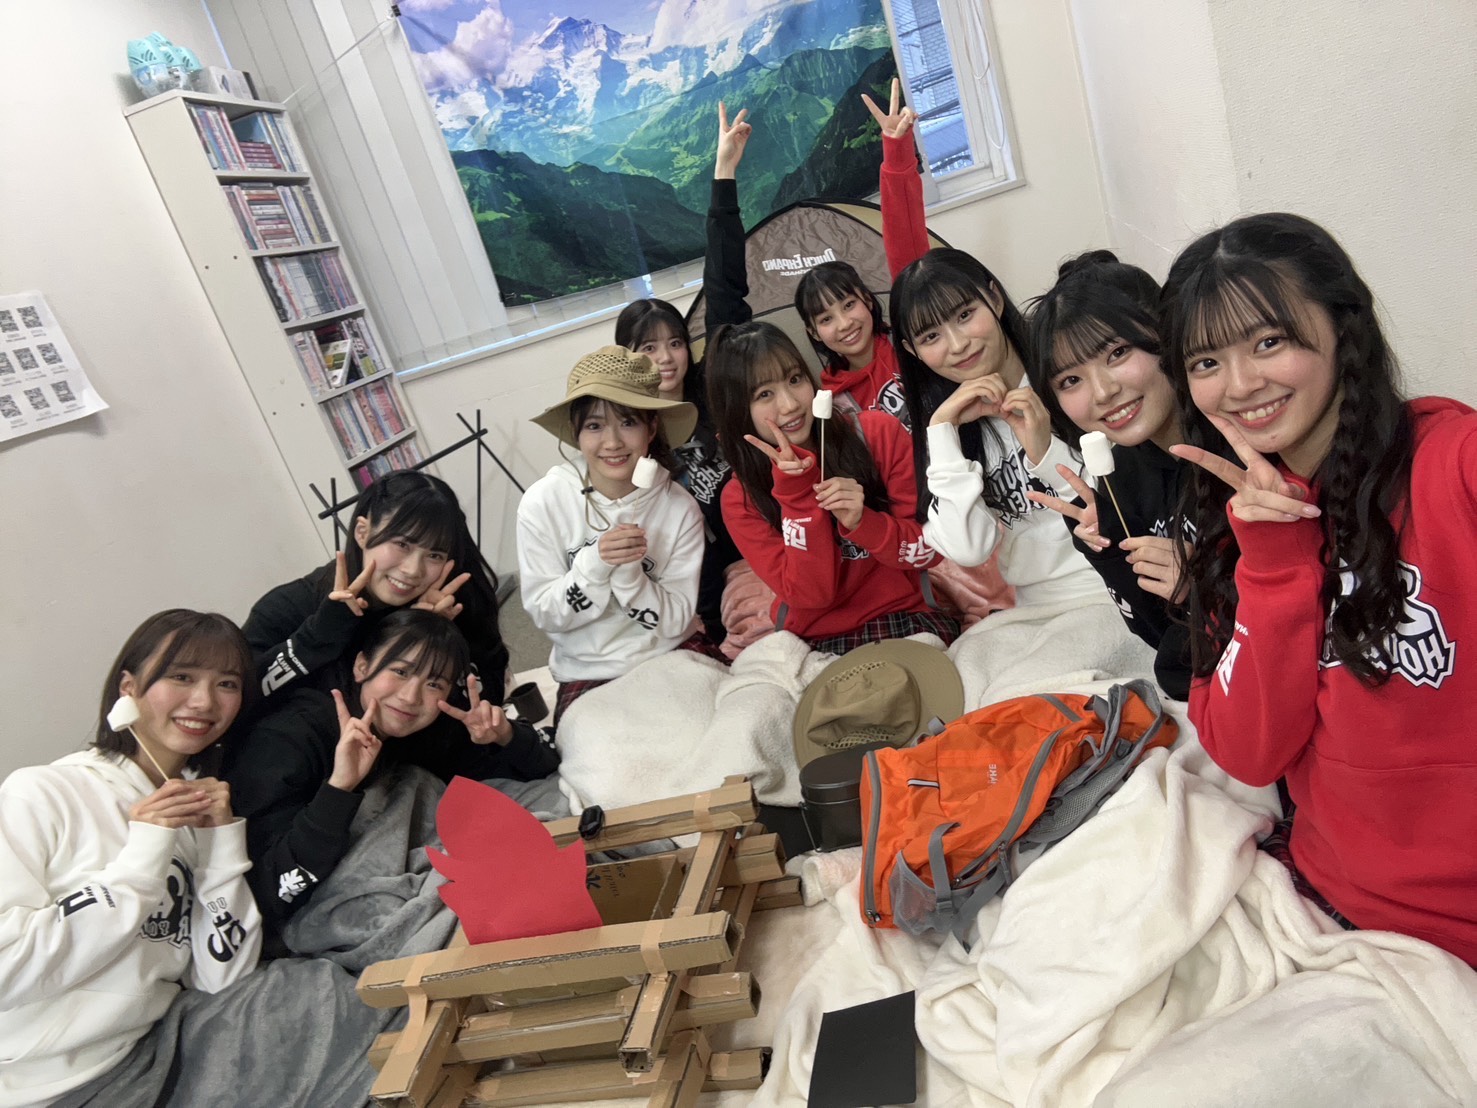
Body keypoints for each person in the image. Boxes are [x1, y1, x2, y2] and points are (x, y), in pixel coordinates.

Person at [1164, 212, 1477, 963]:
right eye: (1206, 362)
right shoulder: (1230, 523)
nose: (1240, 386)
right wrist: (1273, 564)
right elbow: (1249, 754)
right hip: (1327, 904)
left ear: (1342, 328)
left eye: (1268, 342)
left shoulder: (1453, 463)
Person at [0, 610, 262, 1103]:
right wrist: (141, 860)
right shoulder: (41, 792)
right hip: (46, 1085)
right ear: (129, 688)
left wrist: (221, 847)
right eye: (181, 676)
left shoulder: (197, 818)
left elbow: (224, 980)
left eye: (226, 684)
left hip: (157, 1055)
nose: (204, 701)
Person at [224, 609, 560, 933]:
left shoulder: (417, 729)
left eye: (434, 684)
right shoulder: (290, 739)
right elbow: (267, 891)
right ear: (362, 666)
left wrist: (506, 735)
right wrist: (339, 788)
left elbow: (540, 771)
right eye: (400, 671)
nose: (411, 697)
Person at [707, 320, 958, 654]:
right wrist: (797, 498)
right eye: (764, 394)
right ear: (736, 410)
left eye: (795, 379)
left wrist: (864, 522)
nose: (790, 404)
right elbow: (812, 595)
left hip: (905, 614)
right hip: (815, 637)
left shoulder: (877, 435)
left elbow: (929, 550)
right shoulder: (741, 498)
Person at [889, 245, 1106, 609]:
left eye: (964, 315)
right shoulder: (953, 426)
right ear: (913, 352)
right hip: (1037, 604)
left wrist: (1046, 453)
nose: (958, 344)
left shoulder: (1068, 374)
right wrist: (941, 429)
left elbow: (1119, 505)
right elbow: (969, 549)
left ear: (994, 298)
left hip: (1110, 585)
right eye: (931, 337)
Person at [1023, 250, 1198, 698]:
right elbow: (1161, 637)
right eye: (1070, 381)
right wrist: (1109, 550)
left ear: (1164, 332)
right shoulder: (1122, 477)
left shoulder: (1237, 443)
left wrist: (1210, 587)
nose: (1103, 392)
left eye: (1117, 353)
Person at [614, 103, 753, 641]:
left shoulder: (711, 388)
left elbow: (724, 290)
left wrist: (724, 175)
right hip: (693, 578)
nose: (667, 358)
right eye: (648, 349)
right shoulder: (630, 433)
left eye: (675, 343)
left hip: (759, 544)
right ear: (627, 358)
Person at [518, 346, 709, 724]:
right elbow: (545, 613)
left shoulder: (679, 508)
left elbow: (675, 620)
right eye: (594, 426)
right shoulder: (542, 503)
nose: (612, 442)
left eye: (628, 423)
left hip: (672, 650)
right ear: (576, 433)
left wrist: (630, 576)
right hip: (588, 669)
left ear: (651, 428)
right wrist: (596, 563)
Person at [244, 470, 511, 707]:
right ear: (362, 532)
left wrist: (430, 639)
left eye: (434, 555)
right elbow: (241, 704)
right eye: (402, 544)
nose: (413, 570)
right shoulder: (288, 607)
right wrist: (319, 635)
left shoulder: (451, 601)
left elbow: (486, 704)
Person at [792, 79, 929, 422]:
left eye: (849, 304)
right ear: (813, 332)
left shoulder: (909, 340)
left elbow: (906, 246)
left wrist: (897, 151)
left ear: (867, 300)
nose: (844, 323)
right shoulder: (832, 404)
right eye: (825, 319)